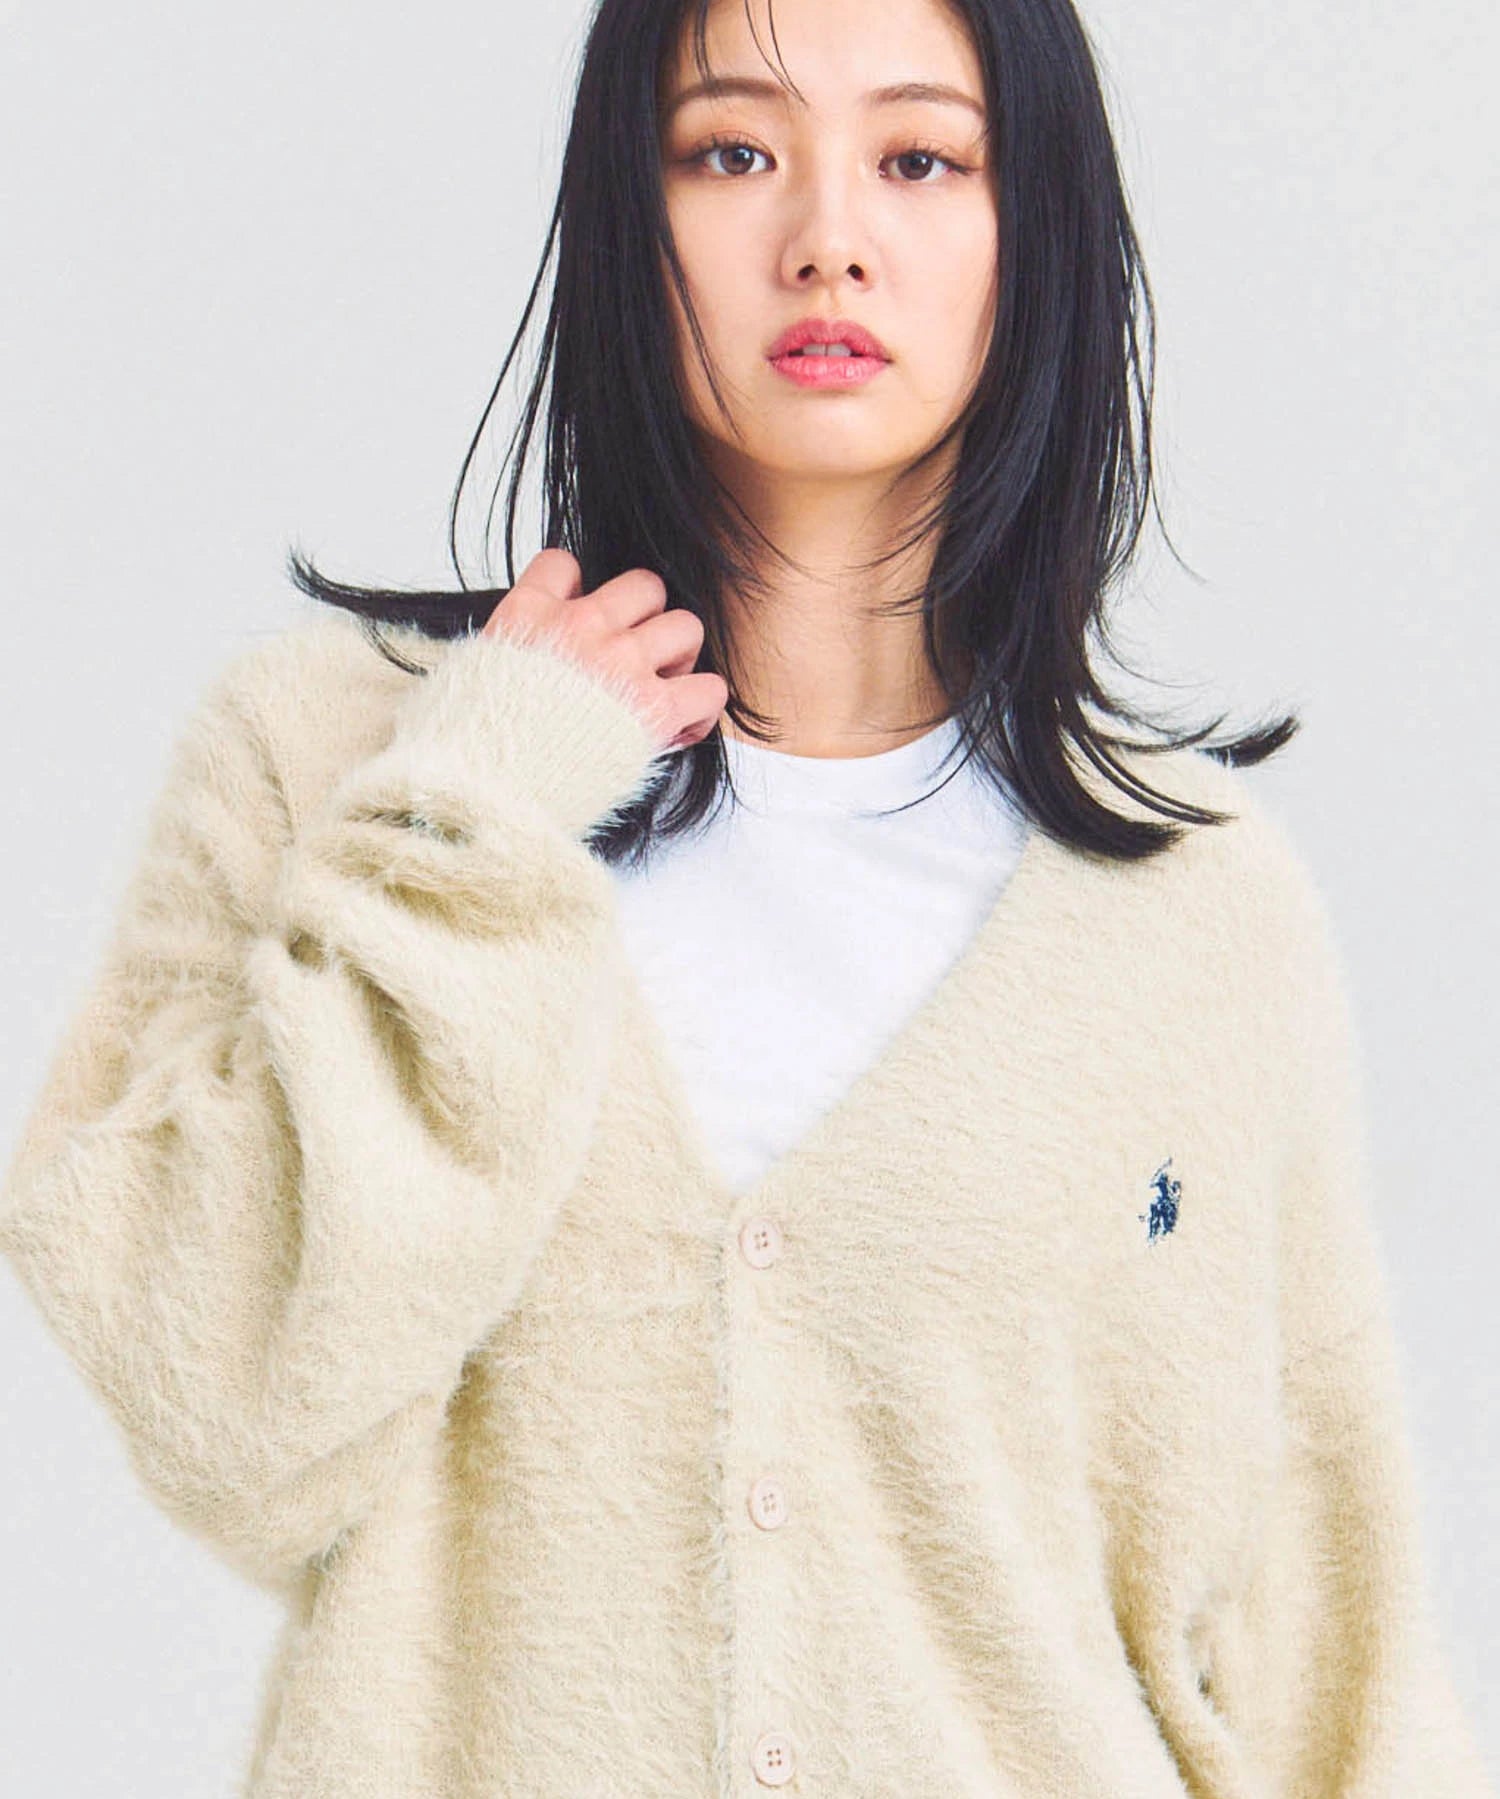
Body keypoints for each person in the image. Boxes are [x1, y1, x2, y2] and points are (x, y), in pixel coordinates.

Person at [1, 0, 1490, 1794]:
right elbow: (224, 1412)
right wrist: (483, 800)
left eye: (921, 158)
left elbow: (1327, 1661)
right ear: (625, 218)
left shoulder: (1200, 906)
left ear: (1040, 231)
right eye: (731, 150)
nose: (827, 237)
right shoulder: (331, 767)